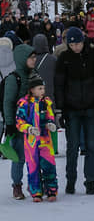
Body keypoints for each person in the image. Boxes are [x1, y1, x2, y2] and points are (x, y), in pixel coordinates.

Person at [54, 26, 94, 195]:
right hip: (71, 110)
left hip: (91, 108)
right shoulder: (64, 58)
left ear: (83, 41)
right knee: (72, 146)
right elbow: (59, 86)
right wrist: (59, 110)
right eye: (72, 45)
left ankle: (91, 182)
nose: (76, 47)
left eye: (78, 43)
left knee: (92, 146)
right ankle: (70, 181)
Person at [15, 73, 58, 202]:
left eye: (43, 88)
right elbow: (19, 122)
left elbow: (50, 117)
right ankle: (36, 192)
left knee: (49, 165)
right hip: (31, 142)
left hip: (45, 141)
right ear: (32, 90)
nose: (42, 91)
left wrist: (51, 124)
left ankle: (51, 190)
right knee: (33, 167)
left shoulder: (47, 102)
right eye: (40, 88)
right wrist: (28, 128)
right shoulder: (24, 104)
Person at [3, 43, 37, 199]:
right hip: (18, 124)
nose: (34, 60)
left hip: (34, 123)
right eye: (31, 58)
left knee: (34, 155)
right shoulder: (13, 78)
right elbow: (8, 102)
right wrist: (9, 124)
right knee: (19, 157)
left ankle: (34, 183)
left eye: (35, 57)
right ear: (23, 59)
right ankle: (17, 185)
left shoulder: (34, 75)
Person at [32, 34, 58, 154]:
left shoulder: (30, 60)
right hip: (50, 94)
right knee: (51, 121)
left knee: (35, 121)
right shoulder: (53, 59)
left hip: (34, 96)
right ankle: (54, 146)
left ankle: (37, 145)